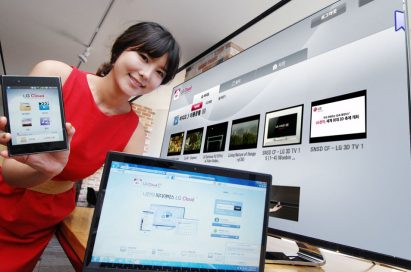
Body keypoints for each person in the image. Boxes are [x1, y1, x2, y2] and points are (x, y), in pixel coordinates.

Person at [0, 21, 180, 271]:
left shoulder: (134, 133)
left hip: (39, 222)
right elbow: (10, 173)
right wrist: (45, 169)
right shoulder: (55, 74)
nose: (146, 74)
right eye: (144, 57)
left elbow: (121, 203)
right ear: (120, 50)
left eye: (160, 72)